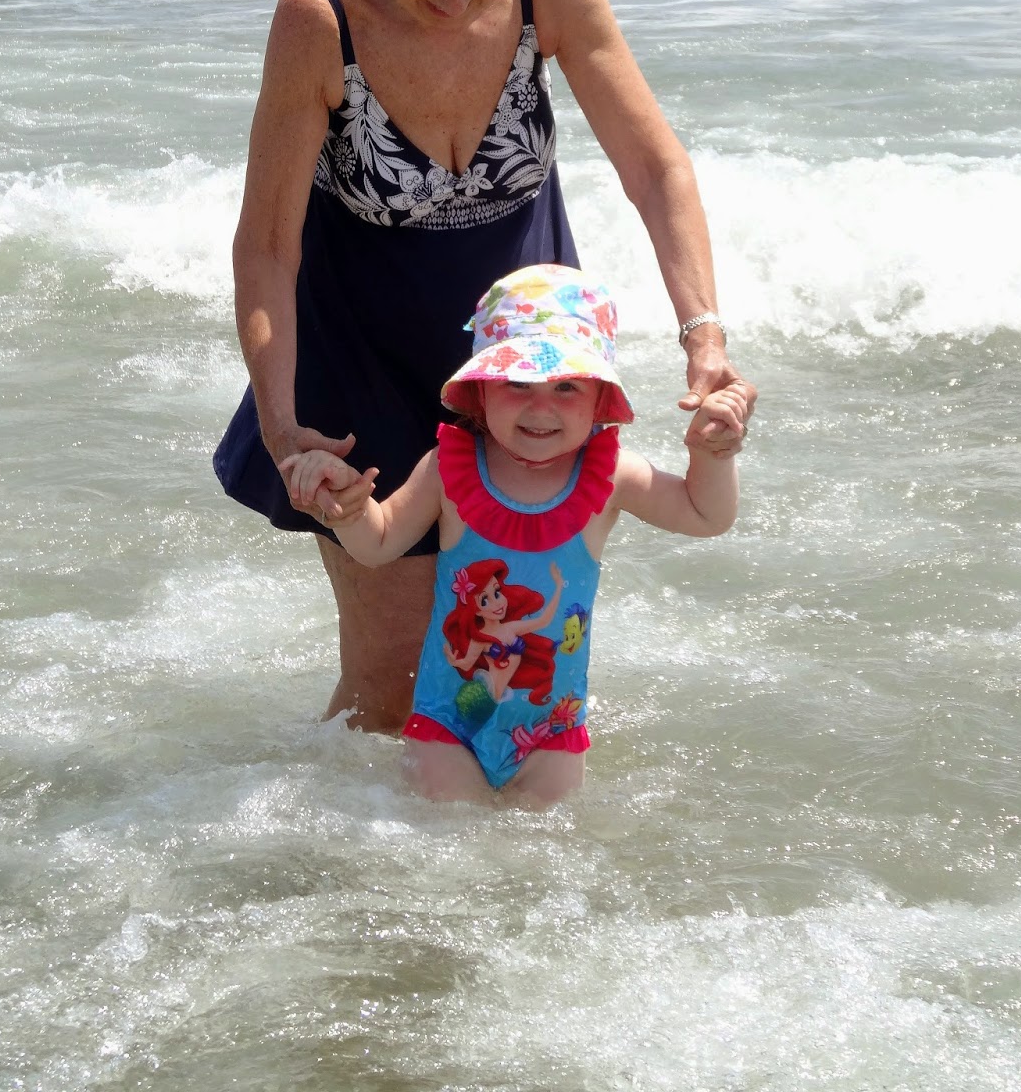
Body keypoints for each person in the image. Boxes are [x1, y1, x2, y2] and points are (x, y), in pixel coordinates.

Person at [214, 0, 756, 733]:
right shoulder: (318, 18)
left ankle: (494, 831)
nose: (456, 0)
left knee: (514, 655)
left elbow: (655, 167)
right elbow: (266, 247)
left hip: (527, 357)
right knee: (390, 680)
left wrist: (703, 334)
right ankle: (330, 829)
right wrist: (284, 424)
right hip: (366, 349)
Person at [281, 265, 744, 806]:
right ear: (481, 393)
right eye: (517, 383)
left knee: (540, 852)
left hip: (552, 731)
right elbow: (378, 544)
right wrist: (348, 509)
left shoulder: (611, 474)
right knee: (443, 843)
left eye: (567, 387)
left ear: (599, 400)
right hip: (449, 723)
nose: (541, 408)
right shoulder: (450, 468)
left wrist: (711, 456)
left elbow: (704, 515)